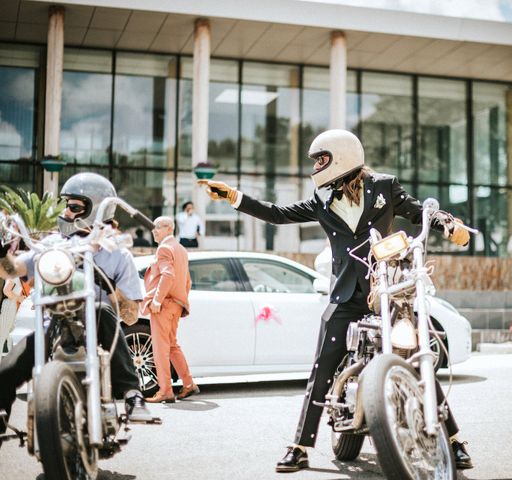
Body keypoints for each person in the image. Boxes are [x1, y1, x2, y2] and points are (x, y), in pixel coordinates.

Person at [199, 129, 474, 472]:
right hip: (344, 296)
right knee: (323, 367)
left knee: (417, 357)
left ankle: (453, 439)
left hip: (384, 290)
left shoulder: (385, 187)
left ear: (341, 156)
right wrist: (235, 197)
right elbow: (278, 214)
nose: (316, 166)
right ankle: (300, 446)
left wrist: (448, 225)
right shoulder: (322, 202)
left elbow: (418, 212)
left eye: (321, 159)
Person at [0, 173, 152, 443]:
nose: (66, 212)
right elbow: (12, 271)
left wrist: (107, 289)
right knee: (6, 368)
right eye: (65, 205)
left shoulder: (117, 252)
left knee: (102, 310)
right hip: (54, 323)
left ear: (94, 209)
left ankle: (132, 394)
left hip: (96, 326)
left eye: (74, 206)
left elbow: (132, 314)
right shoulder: (51, 245)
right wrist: (1, 253)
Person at [143, 216, 198, 403]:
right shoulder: (181, 249)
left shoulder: (164, 248)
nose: (154, 231)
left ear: (168, 228)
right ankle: (188, 384)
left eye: (157, 228)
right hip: (176, 305)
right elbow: (187, 281)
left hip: (164, 305)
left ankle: (165, 391)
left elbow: (167, 275)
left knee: (160, 349)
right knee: (173, 345)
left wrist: (157, 300)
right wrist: (181, 300)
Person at [0, 278, 30, 357]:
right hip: (9, 305)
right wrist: (19, 298)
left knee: (9, 335)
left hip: (11, 305)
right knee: (2, 336)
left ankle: (8, 362)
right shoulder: (14, 275)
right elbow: (6, 291)